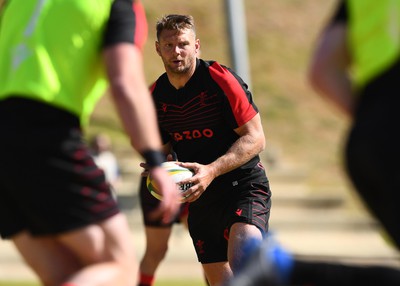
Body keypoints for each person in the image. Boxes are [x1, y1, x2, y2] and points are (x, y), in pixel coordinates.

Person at [0, 1, 181, 286]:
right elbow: (125, 83)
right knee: (120, 268)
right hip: (43, 130)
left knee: (65, 274)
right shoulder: (115, 3)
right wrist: (156, 160)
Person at [227, 0, 400, 285]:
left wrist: (380, 121)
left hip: (370, 139)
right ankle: (282, 269)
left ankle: (283, 270)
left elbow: (323, 69)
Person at [144, 14, 272, 285]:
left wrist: (211, 171)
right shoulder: (154, 96)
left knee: (243, 261)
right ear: (157, 48)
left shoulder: (220, 80)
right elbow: (165, 150)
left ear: (196, 45)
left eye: (183, 44)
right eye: (168, 45)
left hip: (243, 186)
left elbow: (256, 138)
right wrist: (158, 165)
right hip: (199, 198)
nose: (176, 52)